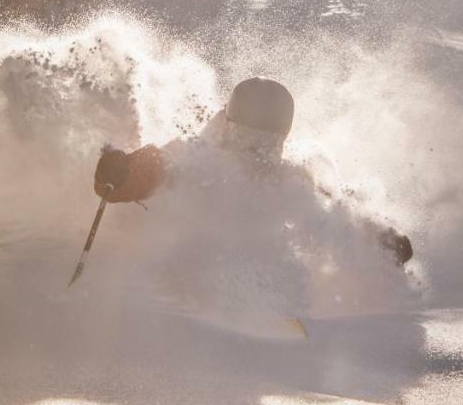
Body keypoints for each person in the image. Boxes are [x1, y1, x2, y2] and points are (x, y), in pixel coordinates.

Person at [93, 77, 414, 266]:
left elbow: (335, 212)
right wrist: (118, 173)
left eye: (268, 142)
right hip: (180, 261)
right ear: (233, 127)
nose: (257, 151)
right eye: (250, 138)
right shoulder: (196, 156)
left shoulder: (291, 175)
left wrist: (381, 241)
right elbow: (148, 171)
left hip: (254, 267)